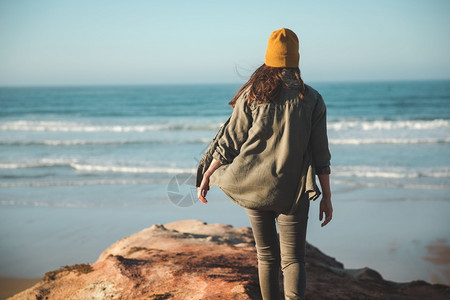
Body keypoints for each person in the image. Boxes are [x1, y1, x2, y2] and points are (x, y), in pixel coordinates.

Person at [196, 28, 332, 300]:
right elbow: (321, 155)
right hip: (293, 192)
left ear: (269, 59)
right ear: (295, 59)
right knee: (293, 259)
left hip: (253, 186)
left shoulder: (253, 94)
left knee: (267, 256)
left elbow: (230, 142)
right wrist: (326, 197)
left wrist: (208, 174)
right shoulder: (312, 98)